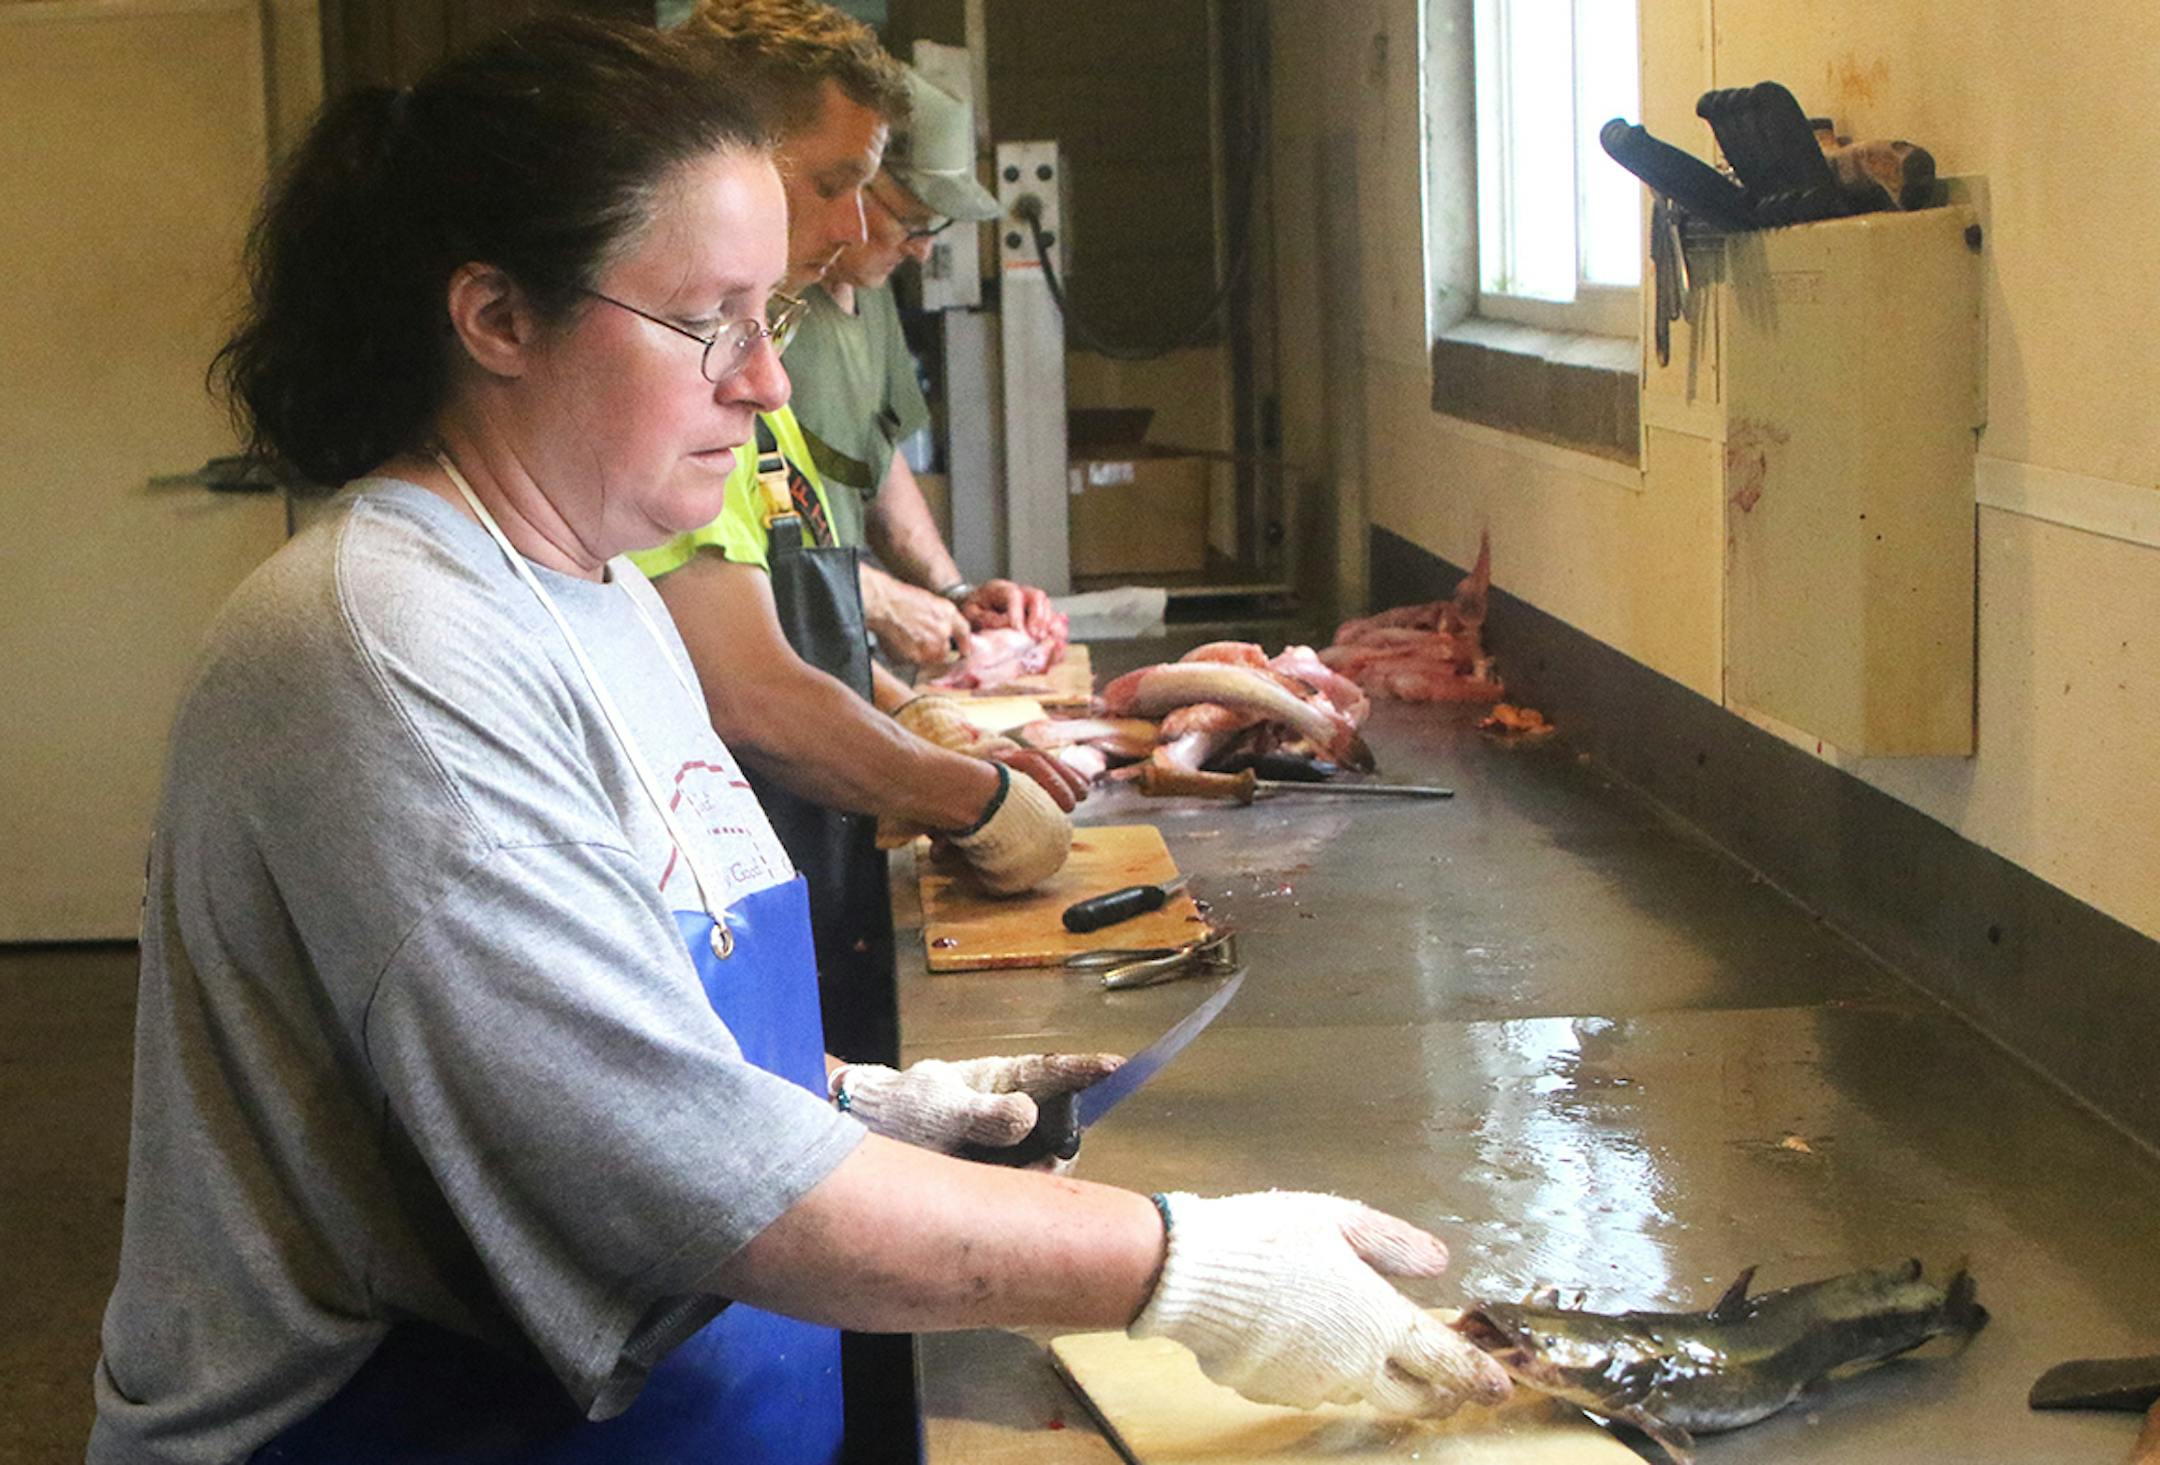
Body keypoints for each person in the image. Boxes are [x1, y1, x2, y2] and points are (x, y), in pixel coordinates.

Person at [87, 16, 1511, 1464]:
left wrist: (880, 1103)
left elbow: (615, 1034)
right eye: (714, 319)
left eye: (774, 315)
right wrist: (1188, 1271)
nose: (767, 383)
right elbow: (672, 1174)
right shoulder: (387, 643)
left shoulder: (598, 596)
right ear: (499, 318)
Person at [646, 0, 1083, 1080]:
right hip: (720, 897)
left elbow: (808, 617)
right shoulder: (658, 390)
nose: (852, 232)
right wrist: (970, 797)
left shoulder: (757, 370)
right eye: (832, 183)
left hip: (815, 860)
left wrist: (928, 730)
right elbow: (748, 691)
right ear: (721, 163)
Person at [780, 64, 1059, 668]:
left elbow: (875, 464)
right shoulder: (760, 307)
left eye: (936, 226)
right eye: (910, 220)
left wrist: (952, 594)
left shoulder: (872, 297)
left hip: (835, 645)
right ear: (849, 183)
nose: (923, 248)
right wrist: (873, 596)